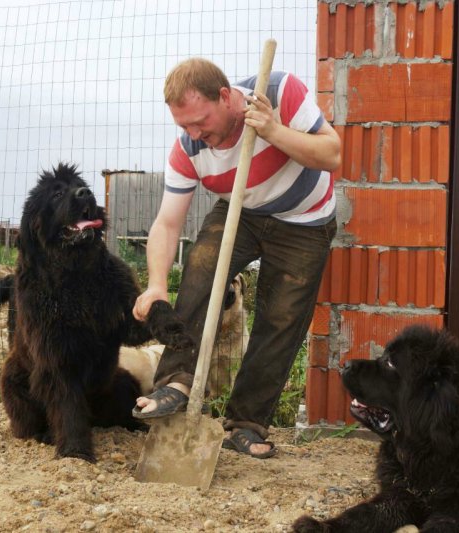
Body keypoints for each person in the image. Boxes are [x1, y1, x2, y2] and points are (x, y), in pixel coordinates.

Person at [131, 58, 341, 459]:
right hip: (241, 211)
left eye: (200, 120)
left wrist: (273, 130)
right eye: (183, 126)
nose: (194, 133)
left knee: (281, 318)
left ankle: (246, 423)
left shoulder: (278, 93)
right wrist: (156, 284)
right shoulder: (188, 149)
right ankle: (177, 382)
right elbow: (167, 223)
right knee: (203, 264)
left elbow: (331, 154)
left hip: (304, 222)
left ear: (225, 97)